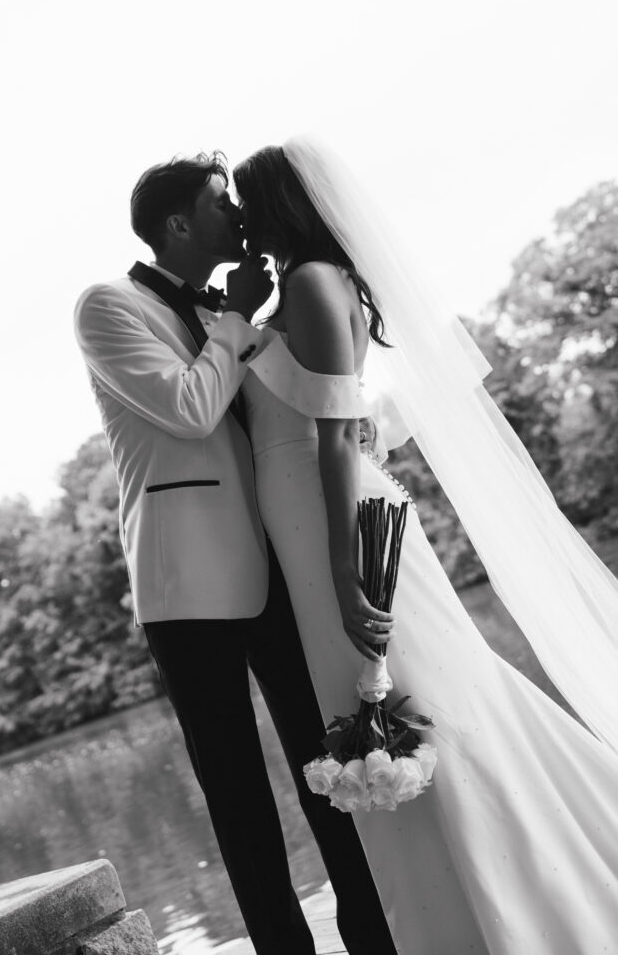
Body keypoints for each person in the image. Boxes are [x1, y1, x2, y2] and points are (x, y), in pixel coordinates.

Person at [233, 138, 618, 954]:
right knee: (411, 700)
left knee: (432, 699)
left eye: (245, 201)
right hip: (308, 531)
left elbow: (337, 437)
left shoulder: (308, 280)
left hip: (336, 529)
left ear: (278, 205)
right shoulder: (311, 283)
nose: (238, 218)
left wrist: (343, 568)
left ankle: (512, 905)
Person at [73, 152, 398, 955]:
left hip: (277, 566)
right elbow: (187, 409)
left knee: (326, 767)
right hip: (185, 586)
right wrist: (234, 323)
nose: (239, 214)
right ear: (179, 224)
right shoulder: (106, 306)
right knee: (239, 803)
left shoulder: (236, 311)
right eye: (223, 203)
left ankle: (372, 936)